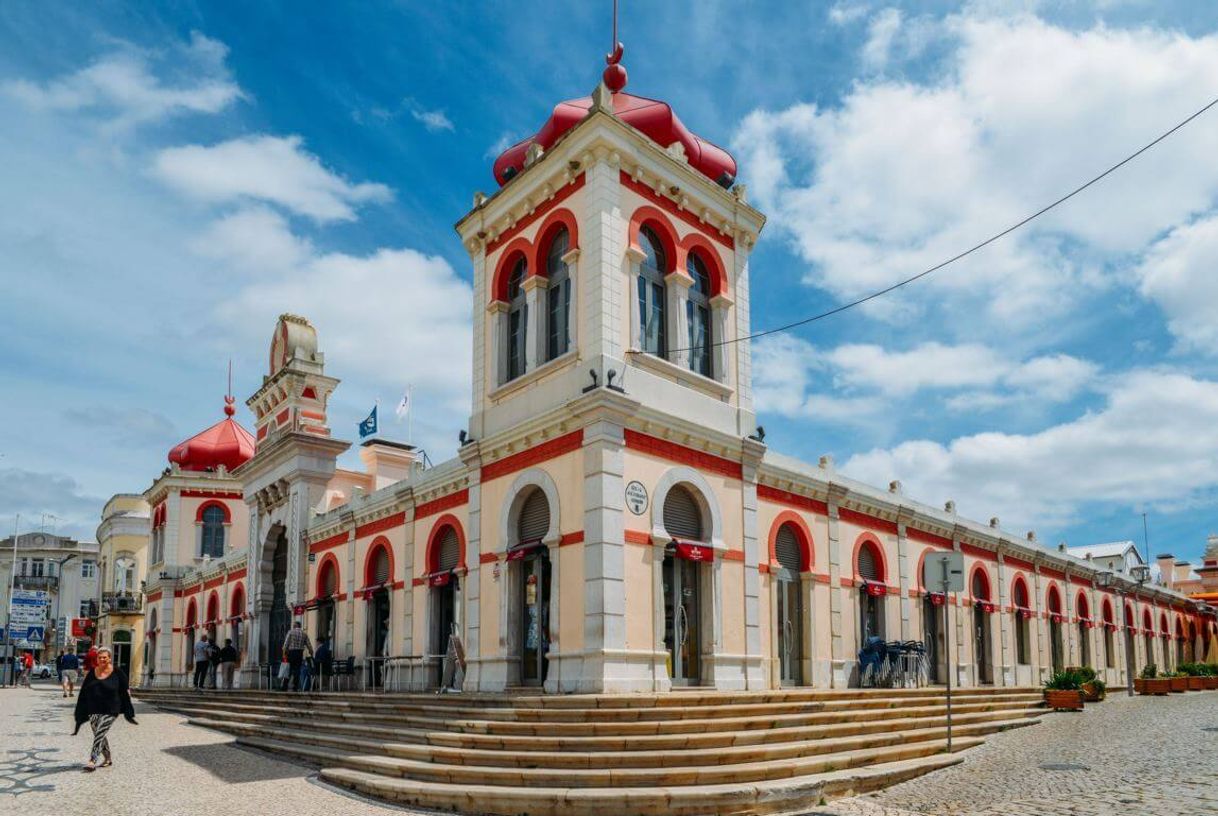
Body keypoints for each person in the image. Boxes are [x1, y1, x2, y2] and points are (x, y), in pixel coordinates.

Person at [72, 646, 136, 771]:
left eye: (105, 657)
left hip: (112, 708)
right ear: (97, 659)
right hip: (94, 708)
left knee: (100, 731)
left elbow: (126, 689)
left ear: (110, 658)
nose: (102, 659)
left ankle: (92, 760)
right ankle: (108, 758)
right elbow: (85, 690)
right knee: (99, 734)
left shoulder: (118, 672)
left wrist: (127, 704)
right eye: (100, 657)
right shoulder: (92, 672)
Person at [281, 622, 312, 692]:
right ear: (300, 626)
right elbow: (308, 644)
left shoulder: (290, 632)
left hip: (291, 653)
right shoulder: (304, 634)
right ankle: (295, 686)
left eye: (293, 625)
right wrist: (311, 652)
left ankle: (285, 686)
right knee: (297, 670)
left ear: (295, 626)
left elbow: (286, 644)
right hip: (299, 653)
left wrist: (284, 653)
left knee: (288, 669)